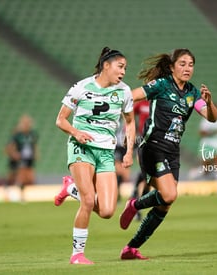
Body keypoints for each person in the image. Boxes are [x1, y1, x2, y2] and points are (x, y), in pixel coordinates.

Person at [118, 48, 217, 260]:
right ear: (172, 67)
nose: (187, 68)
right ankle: (135, 204)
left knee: (165, 204)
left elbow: (212, 118)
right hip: (152, 147)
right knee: (170, 194)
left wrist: (209, 102)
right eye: (182, 64)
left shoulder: (192, 92)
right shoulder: (162, 85)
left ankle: (131, 248)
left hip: (172, 152)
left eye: (190, 64)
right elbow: (134, 95)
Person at [54, 47, 135, 265]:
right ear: (106, 66)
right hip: (82, 148)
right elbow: (61, 120)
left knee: (108, 211)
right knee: (88, 200)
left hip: (106, 152)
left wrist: (128, 151)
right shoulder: (81, 87)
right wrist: (76, 132)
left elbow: (130, 122)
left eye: (125, 68)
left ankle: (70, 188)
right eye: (120, 66)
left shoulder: (124, 91)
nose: (124, 72)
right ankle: (77, 255)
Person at [7, 114, 39, 202]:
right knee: (22, 176)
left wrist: (36, 154)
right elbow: (9, 146)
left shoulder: (33, 134)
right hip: (21, 158)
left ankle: (15, 189)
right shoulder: (17, 135)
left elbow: (34, 145)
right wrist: (14, 154)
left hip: (29, 158)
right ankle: (21, 196)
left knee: (30, 178)